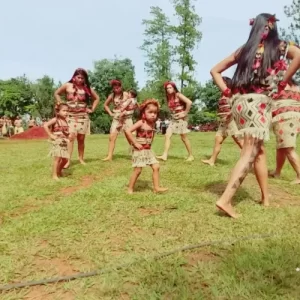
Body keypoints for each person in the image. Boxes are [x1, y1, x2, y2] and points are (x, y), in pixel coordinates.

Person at [210, 13, 300, 218]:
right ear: (271, 27)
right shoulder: (279, 46)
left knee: (257, 151)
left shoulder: (244, 50)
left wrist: (227, 92)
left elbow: (215, 71)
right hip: (258, 104)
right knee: (249, 153)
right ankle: (225, 199)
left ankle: (265, 198)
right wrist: (284, 81)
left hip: (240, 104)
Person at [54, 68, 100, 168]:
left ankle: (81, 159)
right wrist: (60, 103)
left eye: (82, 78)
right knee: (70, 137)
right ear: (74, 77)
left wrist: (92, 109)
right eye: (78, 77)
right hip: (70, 115)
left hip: (83, 116)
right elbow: (57, 93)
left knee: (81, 138)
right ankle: (68, 160)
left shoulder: (86, 88)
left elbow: (97, 98)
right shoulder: (67, 85)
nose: (80, 80)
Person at [125, 99, 168, 194]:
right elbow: (128, 131)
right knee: (138, 170)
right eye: (150, 112)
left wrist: (150, 144)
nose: (153, 115)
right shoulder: (141, 122)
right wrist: (135, 143)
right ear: (143, 112)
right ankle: (130, 188)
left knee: (156, 166)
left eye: (155, 113)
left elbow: (152, 135)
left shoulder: (152, 124)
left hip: (148, 150)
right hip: (139, 150)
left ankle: (156, 188)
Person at [202, 77, 243, 166]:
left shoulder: (233, 93)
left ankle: (250, 159)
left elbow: (238, 105)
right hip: (223, 122)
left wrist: (230, 113)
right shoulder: (222, 94)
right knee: (218, 139)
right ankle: (212, 160)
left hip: (232, 121)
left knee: (239, 141)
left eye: (222, 82)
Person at [269, 78, 300, 184]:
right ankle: (277, 172)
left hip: (286, 118)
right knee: (281, 147)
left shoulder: (280, 86)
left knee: (288, 148)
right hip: (292, 118)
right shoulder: (295, 87)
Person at [156, 82, 194, 161]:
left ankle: (191, 155)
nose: (168, 90)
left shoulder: (178, 95)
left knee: (184, 138)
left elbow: (189, 102)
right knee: (167, 135)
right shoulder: (169, 98)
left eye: (170, 88)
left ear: (174, 88)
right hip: (174, 119)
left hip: (181, 119)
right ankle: (165, 155)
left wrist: (185, 113)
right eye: (167, 88)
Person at [102, 80, 131, 161]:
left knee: (129, 137)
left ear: (121, 87)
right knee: (112, 137)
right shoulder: (112, 95)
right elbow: (105, 105)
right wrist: (110, 113)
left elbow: (133, 102)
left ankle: (136, 154)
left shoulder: (126, 94)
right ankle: (109, 156)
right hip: (116, 117)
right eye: (114, 88)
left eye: (118, 88)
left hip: (126, 117)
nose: (116, 89)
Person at [44, 104, 73, 180]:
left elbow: (65, 131)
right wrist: (51, 135)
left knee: (65, 160)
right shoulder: (55, 120)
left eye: (67, 111)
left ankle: (58, 171)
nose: (66, 112)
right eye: (64, 111)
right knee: (57, 159)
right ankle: (54, 175)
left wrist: (69, 135)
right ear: (58, 112)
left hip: (64, 142)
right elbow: (45, 125)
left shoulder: (65, 121)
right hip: (57, 142)